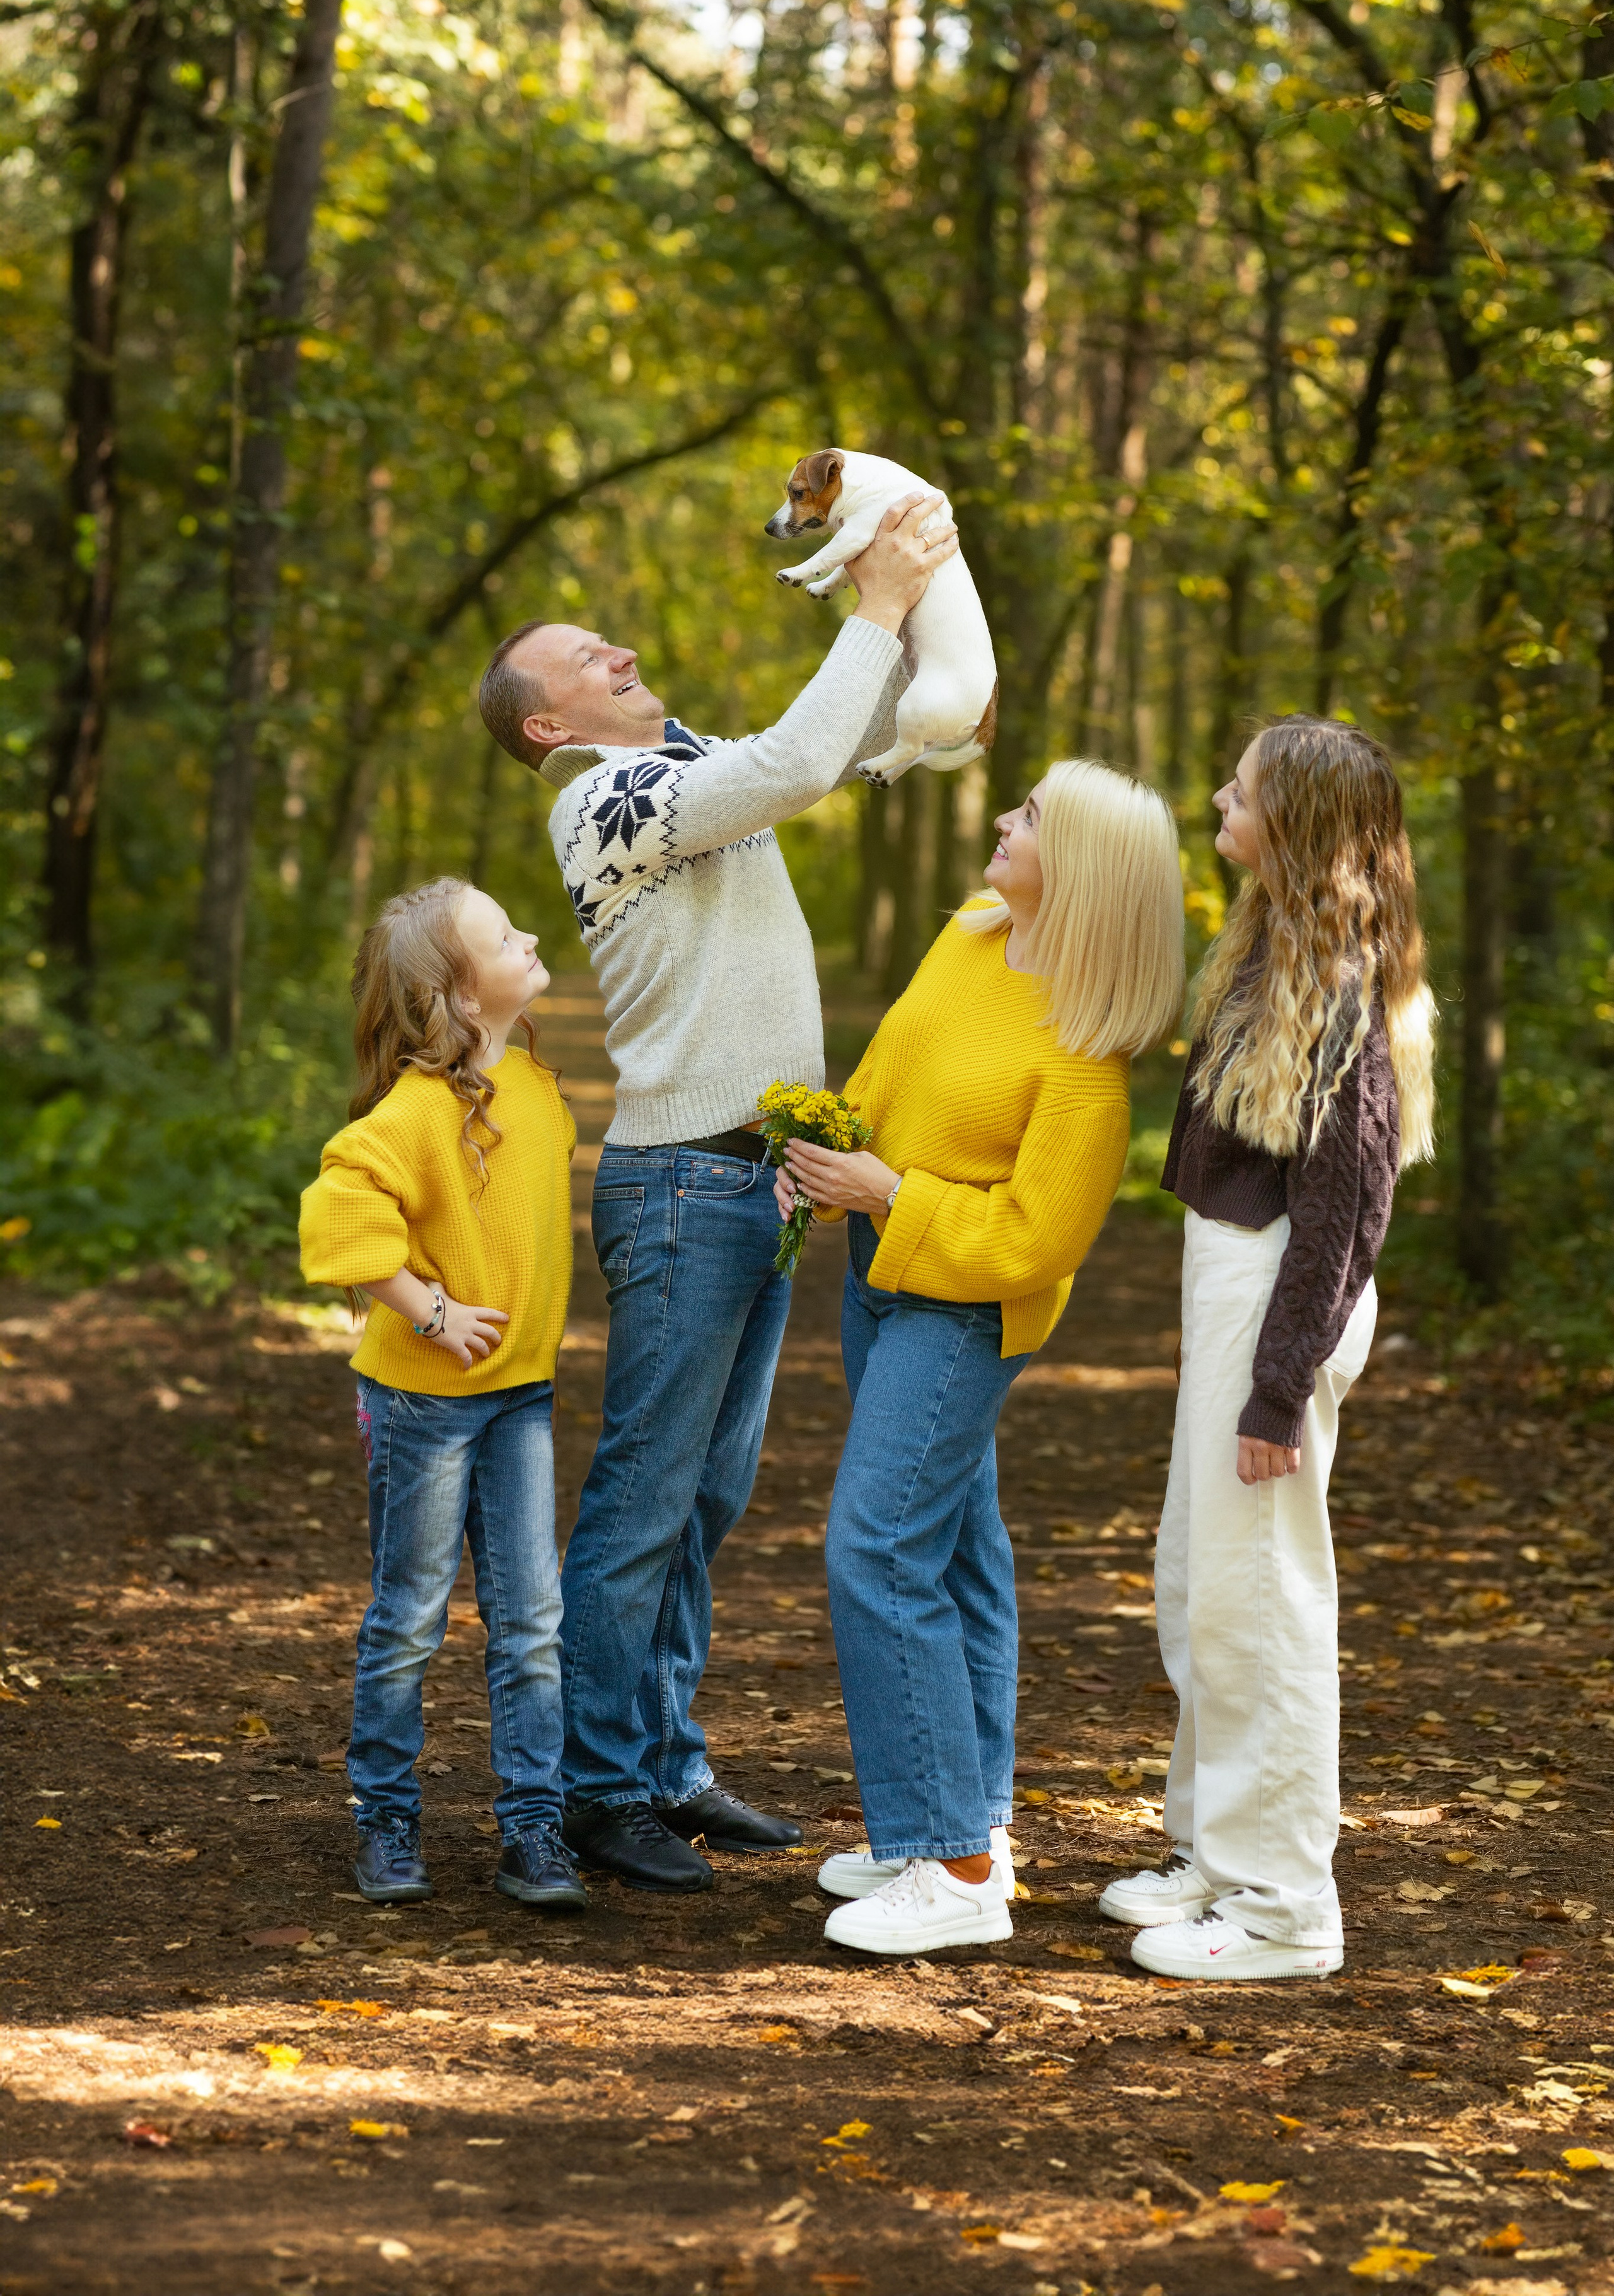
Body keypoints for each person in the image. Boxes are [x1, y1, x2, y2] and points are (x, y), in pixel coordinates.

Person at [476, 496, 956, 1891]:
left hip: (762, 1187)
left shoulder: (680, 765)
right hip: (684, 1188)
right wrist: (874, 606)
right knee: (644, 1499)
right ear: (548, 726)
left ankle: (664, 1762)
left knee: (707, 1501)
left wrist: (927, 684)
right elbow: (798, 762)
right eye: (587, 657)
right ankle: (597, 1789)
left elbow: (828, 744)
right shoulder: (604, 801)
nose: (619, 649)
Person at [777, 761, 1185, 1956]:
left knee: (875, 1544)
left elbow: (1034, 1242)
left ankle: (951, 1870)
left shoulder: (1085, 1060)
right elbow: (888, 1072)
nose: (1005, 819)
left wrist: (889, 1193)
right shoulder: (971, 933)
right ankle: (969, 1826)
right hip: (878, 1272)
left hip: (960, 1314)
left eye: (1033, 816)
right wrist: (829, 1156)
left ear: (1085, 867)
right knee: (956, 1550)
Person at [1103, 715, 1436, 1982]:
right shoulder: (1271, 949)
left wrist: (1275, 1389)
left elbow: (1343, 1207)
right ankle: (1213, 1850)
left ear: (1293, 826)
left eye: (1239, 792)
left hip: (1279, 1303)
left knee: (1260, 1598)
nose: (1216, 799)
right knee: (1201, 1581)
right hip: (1236, 1280)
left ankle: (1286, 1902)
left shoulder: (1341, 981)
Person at [299, 878, 585, 1913]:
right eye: (506, 937)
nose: (531, 936)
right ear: (463, 997)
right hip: (423, 1403)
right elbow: (336, 1217)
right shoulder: (417, 1110)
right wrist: (430, 1310)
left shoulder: (538, 1088)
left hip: (520, 1398)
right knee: (412, 1615)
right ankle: (385, 1816)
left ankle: (534, 1825)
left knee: (532, 1620)